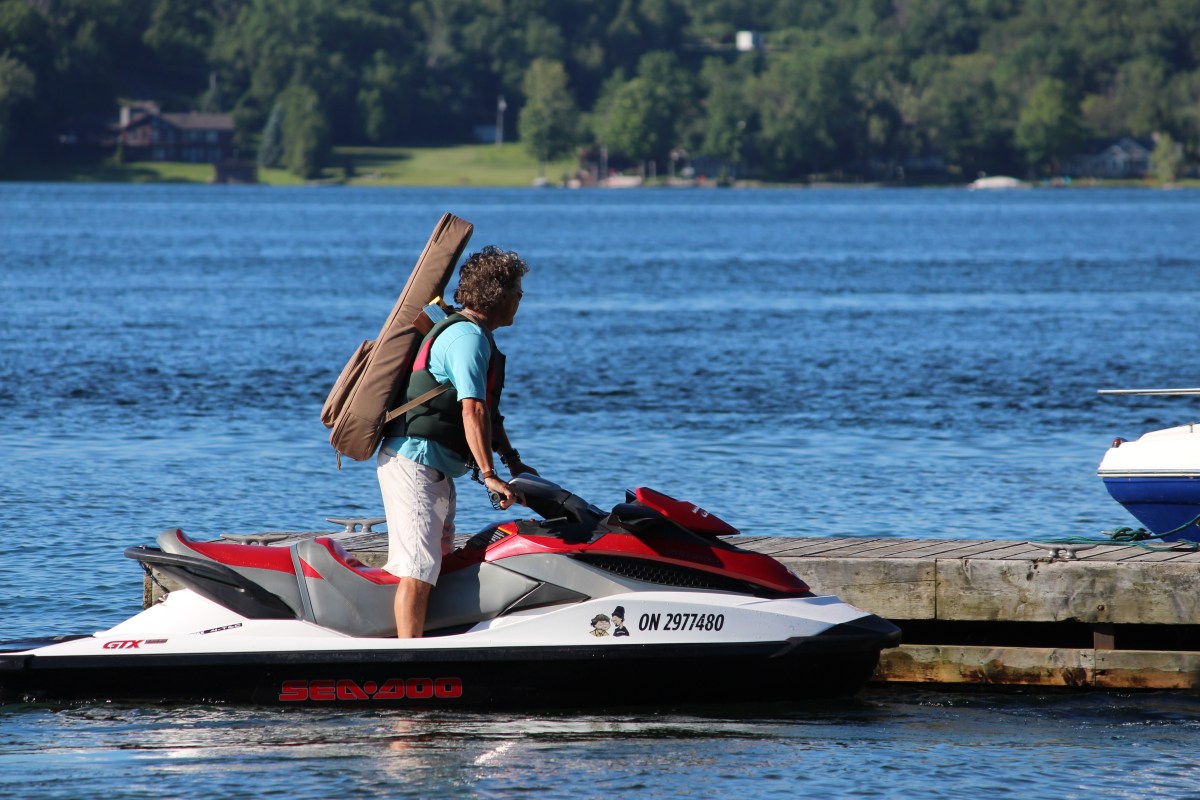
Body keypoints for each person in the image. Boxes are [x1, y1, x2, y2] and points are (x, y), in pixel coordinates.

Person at [376, 245, 536, 637]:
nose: (521, 298)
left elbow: (489, 415)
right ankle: (408, 664)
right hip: (414, 461)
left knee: (436, 564)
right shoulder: (467, 339)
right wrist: (488, 473)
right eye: (518, 289)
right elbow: (472, 411)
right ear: (499, 295)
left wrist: (514, 463)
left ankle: (428, 642)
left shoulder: (477, 335)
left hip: (436, 468)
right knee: (419, 567)